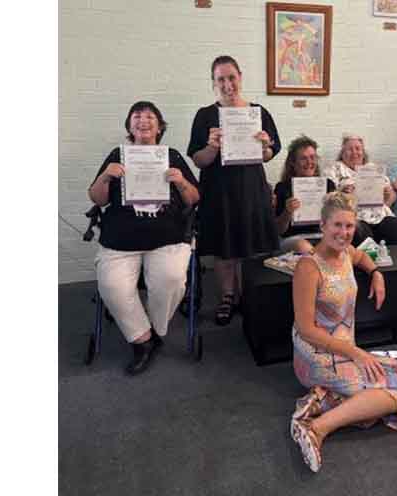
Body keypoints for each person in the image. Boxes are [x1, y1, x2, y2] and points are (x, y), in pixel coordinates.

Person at [290, 192, 397, 473]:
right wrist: (355, 352)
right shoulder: (308, 267)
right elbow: (305, 329)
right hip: (316, 356)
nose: (344, 232)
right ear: (322, 226)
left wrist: (376, 273)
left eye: (349, 226)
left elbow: (361, 256)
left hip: (347, 352)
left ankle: (323, 401)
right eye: (337, 225)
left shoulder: (347, 252)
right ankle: (317, 427)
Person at [88, 101, 200, 375]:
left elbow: (194, 198)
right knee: (111, 284)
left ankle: (155, 327)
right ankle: (143, 340)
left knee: (171, 279)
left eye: (150, 116)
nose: (143, 120)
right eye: (137, 116)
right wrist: (106, 177)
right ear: (129, 126)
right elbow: (97, 199)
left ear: (159, 127)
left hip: (168, 237)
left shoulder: (171, 156)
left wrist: (181, 182)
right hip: (121, 239)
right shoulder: (118, 155)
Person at [187, 55, 282, 326]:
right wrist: (212, 147)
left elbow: (270, 154)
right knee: (224, 248)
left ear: (240, 76)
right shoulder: (205, 115)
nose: (227, 84)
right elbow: (198, 160)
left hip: (251, 188)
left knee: (251, 247)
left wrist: (264, 147)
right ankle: (228, 296)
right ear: (213, 82)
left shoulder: (258, 112)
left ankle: (249, 295)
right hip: (218, 190)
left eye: (232, 77)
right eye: (221, 79)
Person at [322, 133, 397, 246]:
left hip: (381, 215)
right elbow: (327, 198)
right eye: (350, 149)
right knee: (363, 236)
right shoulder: (334, 169)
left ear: (363, 152)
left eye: (358, 149)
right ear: (342, 153)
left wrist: (388, 195)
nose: (354, 152)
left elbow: (392, 197)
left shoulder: (373, 168)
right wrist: (342, 193)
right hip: (354, 217)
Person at [273, 135, 336, 253]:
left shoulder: (328, 185)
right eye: (303, 158)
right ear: (293, 162)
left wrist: (337, 205)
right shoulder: (283, 188)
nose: (309, 162)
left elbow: (337, 222)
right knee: (303, 246)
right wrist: (288, 212)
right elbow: (279, 230)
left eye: (312, 157)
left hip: (322, 236)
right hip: (294, 239)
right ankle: (319, 262)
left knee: (344, 246)